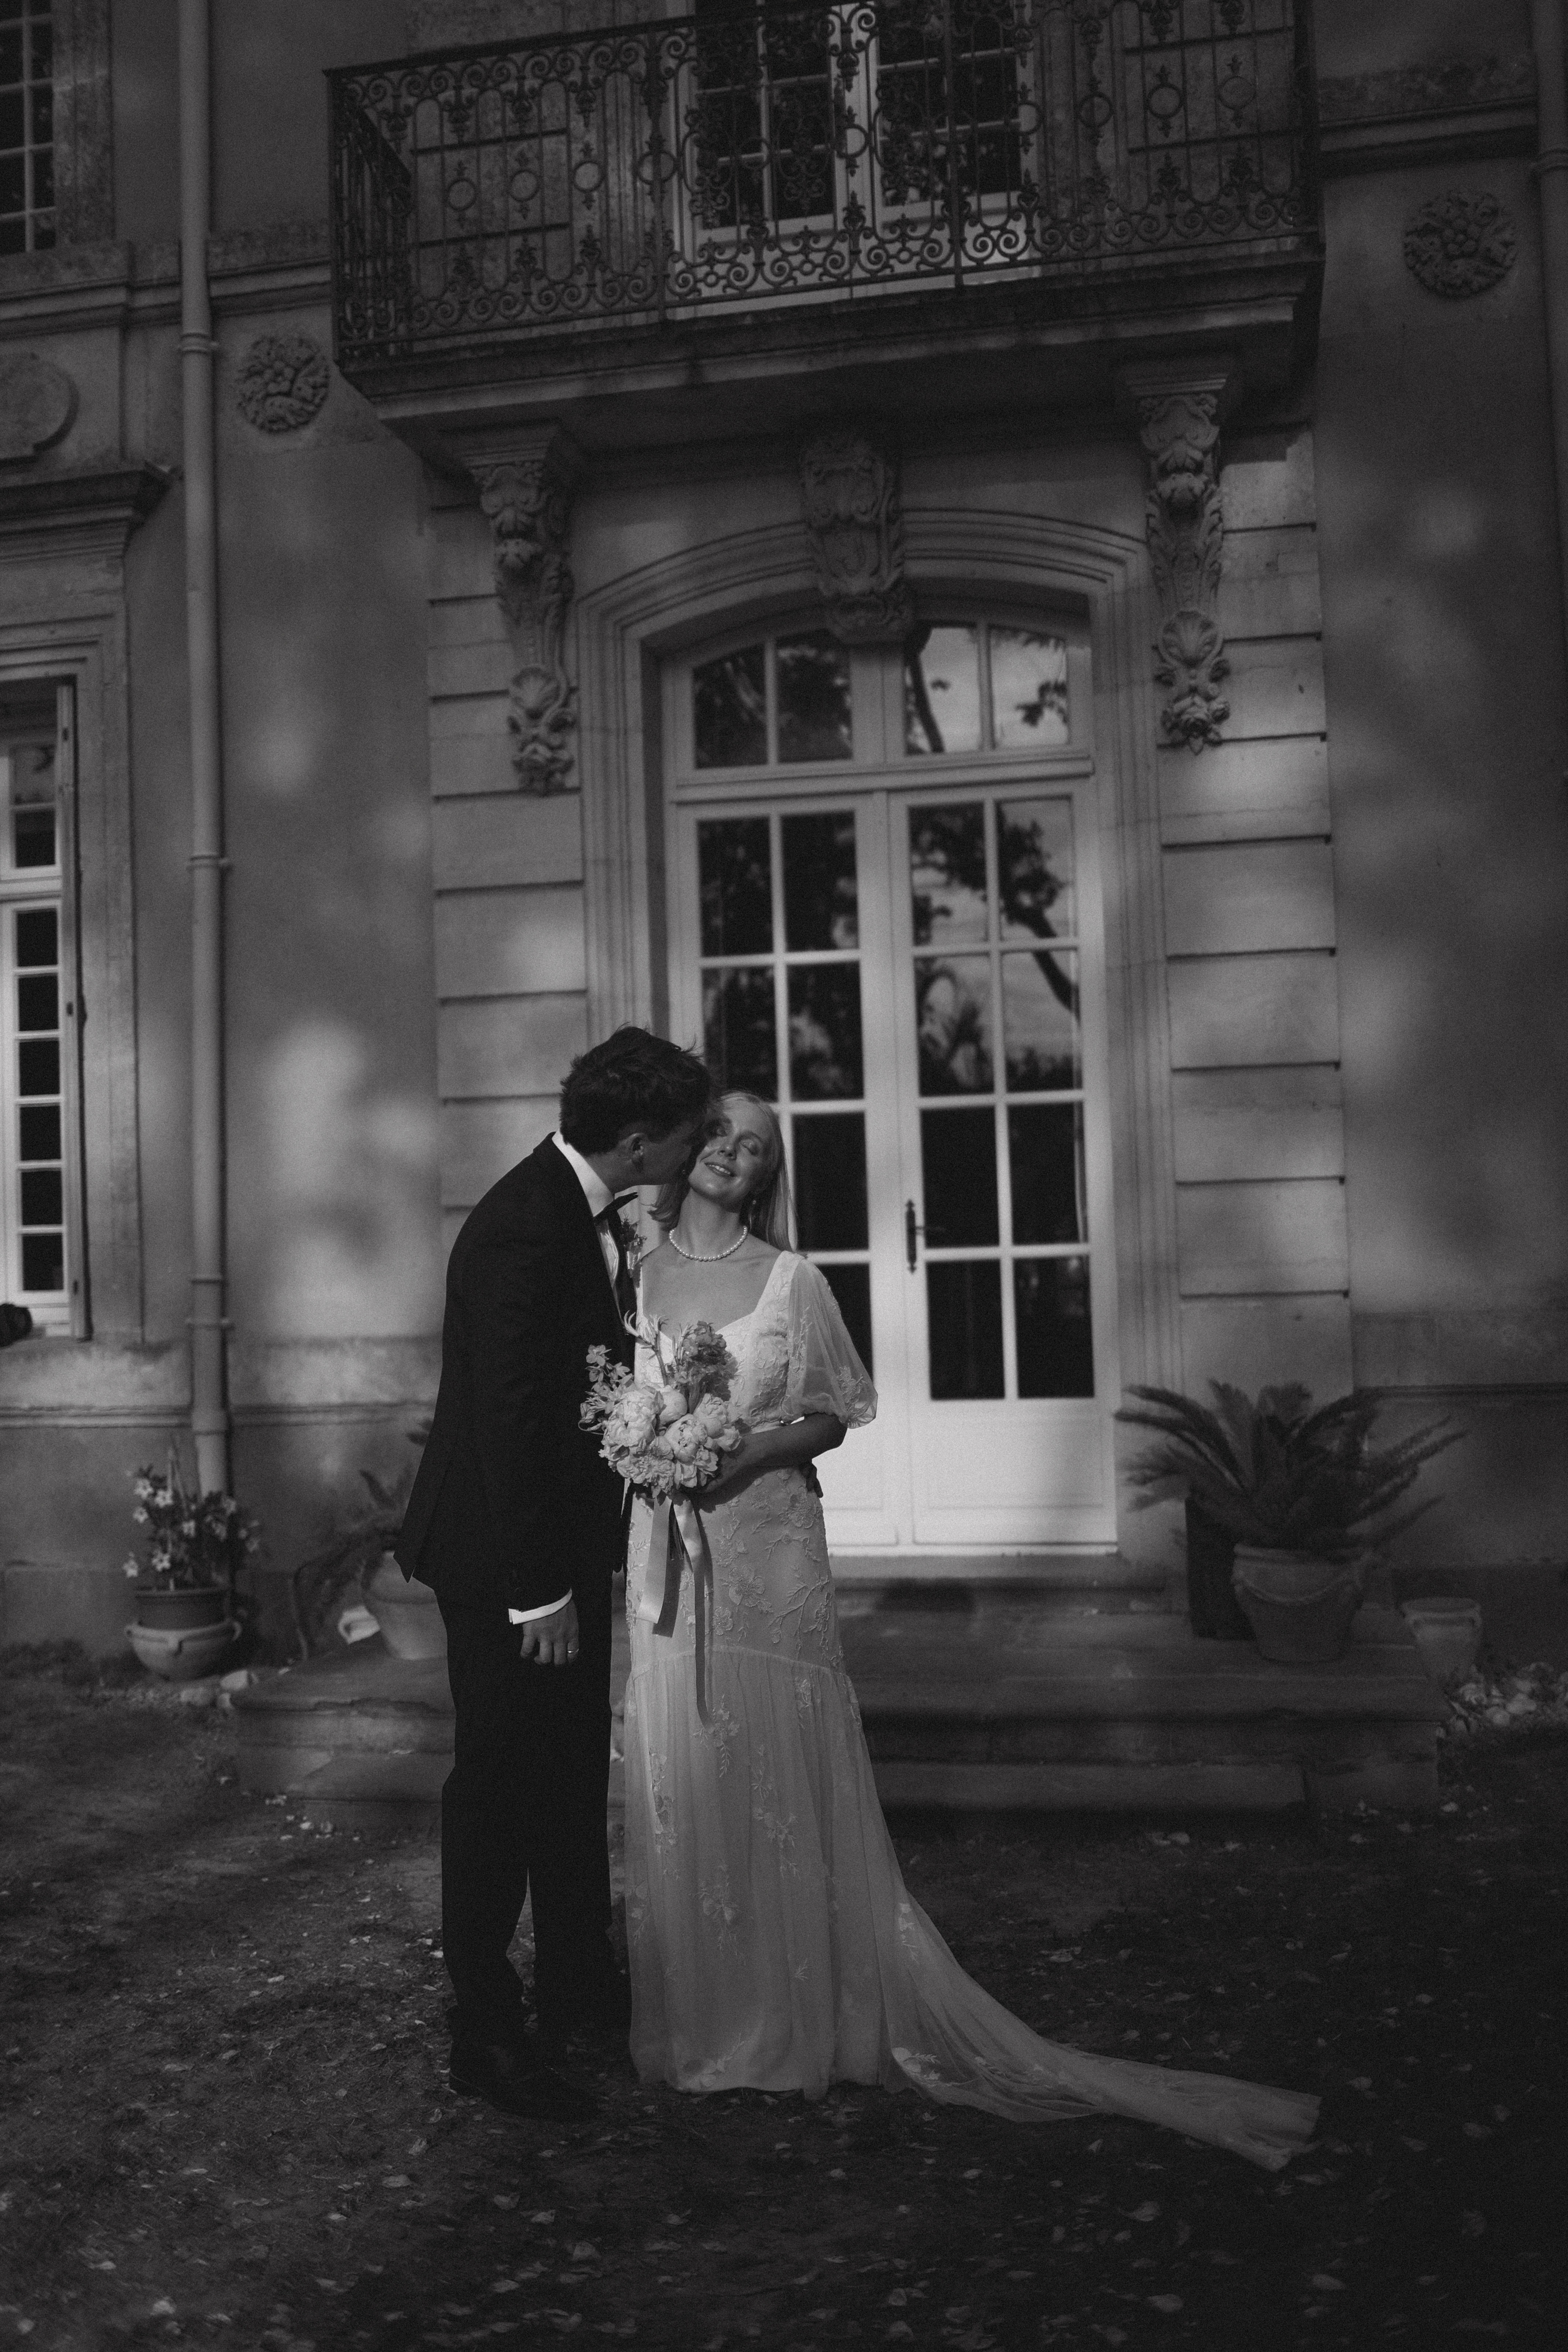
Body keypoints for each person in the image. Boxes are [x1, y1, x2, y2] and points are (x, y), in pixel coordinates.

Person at [621, 1091, 1320, 2170]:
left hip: (768, 1550)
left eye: (754, 1145)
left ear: (765, 1176)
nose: (731, 1150)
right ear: (690, 1143)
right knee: (689, 1756)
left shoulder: (792, 1279)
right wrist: (649, 1449)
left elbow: (833, 1413)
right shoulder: (638, 1272)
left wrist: (746, 1451)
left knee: (774, 1760)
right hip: (670, 1552)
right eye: (720, 1130)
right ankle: (709, 2019)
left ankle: (801, 2019)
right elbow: (621, 1400)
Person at [396, 1027, 710, 2122]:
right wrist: (541, 1590)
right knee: (498, 1784)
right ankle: (484, 2029)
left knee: (570, 1770)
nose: (692, 1151)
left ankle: (578, 1984)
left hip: (556, 1550)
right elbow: (512, 1425)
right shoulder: (525, 1226)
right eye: (684, 1136)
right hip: (503, 1563)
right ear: (635, 1141)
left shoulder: (577, 1213)